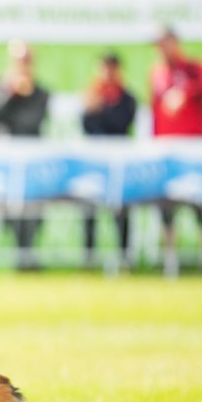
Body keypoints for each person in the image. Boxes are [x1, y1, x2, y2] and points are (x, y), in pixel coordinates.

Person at [150, 25, 202, 275]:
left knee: (200, 207)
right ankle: (170, 264)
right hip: (167, 152)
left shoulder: (193, 68)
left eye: (164, 43)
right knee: (166, 208)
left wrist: (186, 91)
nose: (161, 49)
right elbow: (155, 111)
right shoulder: (157, 73)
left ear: (175, 43)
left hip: (193, 151)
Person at [0, 40, 49, 270]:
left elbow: (32, 122)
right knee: (11, 211)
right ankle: (20, 255)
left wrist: (25, 94)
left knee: (33, 210)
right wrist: (10, 94)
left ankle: (28, 255)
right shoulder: (0, 89)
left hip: (32, 163)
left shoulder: (41, 93)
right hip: (8, 162)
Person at [81, 53, 136, 269]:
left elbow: (121, 124)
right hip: (95, 163)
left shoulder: (127, 98)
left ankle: (124, 259)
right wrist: (91, 108)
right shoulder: (91, 95)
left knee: (122, 212)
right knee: (89, 211)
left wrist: (102, 107)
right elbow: (86, 127)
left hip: (119, 164)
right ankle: (88, 259)